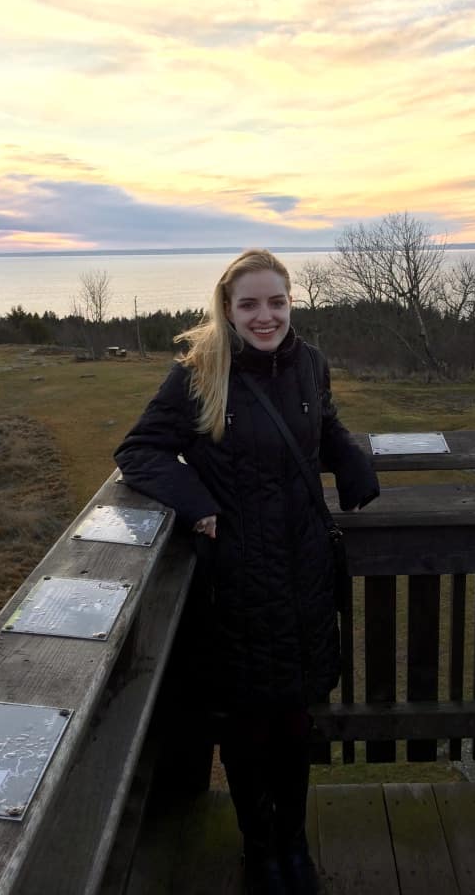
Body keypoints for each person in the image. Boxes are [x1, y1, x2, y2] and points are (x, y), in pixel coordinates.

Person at [114, 249, 379, 895]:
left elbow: (324, 421)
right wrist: (197, 501)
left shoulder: (310, 364)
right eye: (250, 304)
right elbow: (139, 451)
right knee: (247, 727)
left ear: (292, 303)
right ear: (227, 310)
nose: (266, 316)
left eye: (277, 302)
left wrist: (351, 461)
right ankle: (259, 851)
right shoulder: (201, 373)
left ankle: (294, 845)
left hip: (305, 578)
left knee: (295, 723)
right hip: (236, 586)